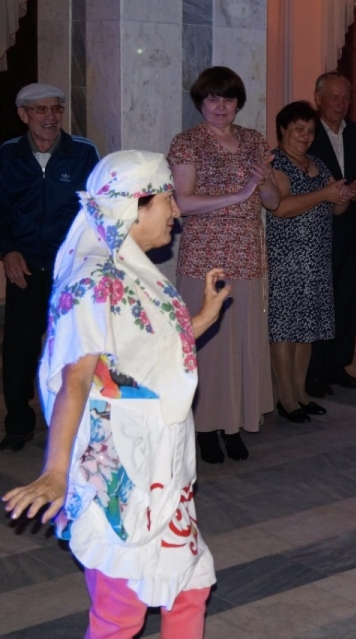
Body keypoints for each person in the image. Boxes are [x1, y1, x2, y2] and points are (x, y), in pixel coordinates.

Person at [2, 151, 230, 638]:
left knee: (188, 591)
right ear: (134, 205)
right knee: (120, 611)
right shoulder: (94, 281)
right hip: (118, 469)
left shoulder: (130, 270)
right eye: (167, 198)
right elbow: (77, 377)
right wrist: (56, 472)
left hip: (159, 464)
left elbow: (143, 355)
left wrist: (204, 317)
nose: (176, 211)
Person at [168, 66, 280, 463]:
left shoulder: (253, 140)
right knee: (209, 347)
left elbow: (273, 202)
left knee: (242, 344)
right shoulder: (188, 142)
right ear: (200, 102)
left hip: (248, 255)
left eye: (228, 98)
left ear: (238, 103)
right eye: (212, 98)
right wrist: (239, 194)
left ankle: (234, 424)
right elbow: (182, 202)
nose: (220, 106)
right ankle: (204, 428)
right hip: (206, 259)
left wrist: (263, 181)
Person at [0, 83, 99, 453]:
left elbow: (96, 209)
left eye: (56, 109)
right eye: (40, 110)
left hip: (71, 268)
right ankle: (18, 424)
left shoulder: (83, 152)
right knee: (19, 348)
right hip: (25, 266)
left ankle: (74, 420)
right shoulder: (8, 154)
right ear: (23, 115)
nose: (50, 117)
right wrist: (8, 251)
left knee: (74, 348)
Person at [268, 101, 352, 423]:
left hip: (316, 260)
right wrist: (324, 195)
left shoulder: (317, 162)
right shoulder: (277, 164)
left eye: (310, 130)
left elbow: (336, 209)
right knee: (285, 331)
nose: (305, 136)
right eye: (298, 129)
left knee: (306, 330)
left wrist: (343, 197)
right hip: (286, 260)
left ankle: (301, 393)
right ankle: (286, 399)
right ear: (282, 130)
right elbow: (280, 208)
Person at [305, 72, 356, 397]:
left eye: (346, 98)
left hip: (351, 231)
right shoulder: (308, 135)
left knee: (348, 300)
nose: (341, 104)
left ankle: (338, 365)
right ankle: (314, 372)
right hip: (319, 229)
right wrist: (341, 191)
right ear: (318, 98)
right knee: (321, 303)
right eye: (334, 97)